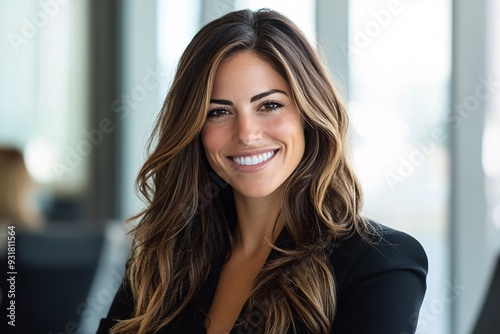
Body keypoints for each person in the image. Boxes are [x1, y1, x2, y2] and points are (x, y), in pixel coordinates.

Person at [97, 8, 427, 334]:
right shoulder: (163, 259)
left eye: (269, 105)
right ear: (194, 128)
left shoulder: (381, 262)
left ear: (308, 114)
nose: (246, 133)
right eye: (218, 112)